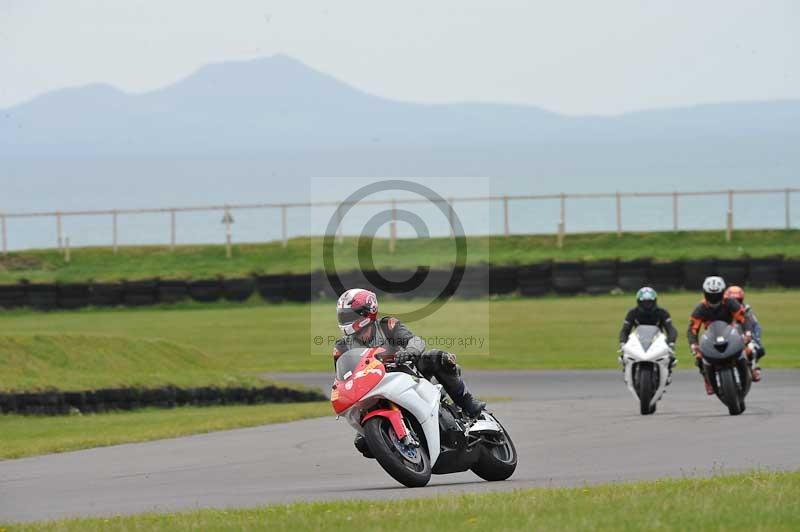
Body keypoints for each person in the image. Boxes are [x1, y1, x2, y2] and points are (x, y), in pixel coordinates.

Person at [333, 288, 486, 415]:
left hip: (407, 374)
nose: (345, 321)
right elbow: (342, 379)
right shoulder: (341, 347)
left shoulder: (388, 326)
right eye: (342, 317)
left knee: (436, 357)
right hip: (372, 390)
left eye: (348, 316)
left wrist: (410, 352)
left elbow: (415, 341)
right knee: (362, 442)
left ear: (367, 312)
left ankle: (468, 404)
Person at [687, 276, 753, 395]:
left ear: (722, 293)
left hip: (731, 333)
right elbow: (692, 329)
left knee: (748, 350)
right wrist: (693, 344)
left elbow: (744, 318)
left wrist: (747, 333)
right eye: (710, 295)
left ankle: (749, 369)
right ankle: (707, 380)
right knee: (699, 357)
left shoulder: (730, 302)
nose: (713, 298)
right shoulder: (700, 308)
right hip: (710, 336)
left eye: (716, 295)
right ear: (705, 293)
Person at [618, 287, 678, 381]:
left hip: (657, 341)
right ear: (639, 302)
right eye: (644, 302)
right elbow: (625, 330)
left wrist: (671, 343)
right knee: (624, 356)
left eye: (649, 302)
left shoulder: (662, 312)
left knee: (671, 357)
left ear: (655, 301)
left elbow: (671, 329)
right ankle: (627, 371)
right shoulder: (632, 313)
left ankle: (668, 372)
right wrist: (623, 343)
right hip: (637, 340)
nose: (647, 305)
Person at [724, 285, 765, 382]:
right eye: (732, 301)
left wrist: (753, 338)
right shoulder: (722, 311)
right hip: (726, 339)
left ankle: (753, 368)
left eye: (738, 300)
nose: (735, 303)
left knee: (755, 349)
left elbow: (756, 327)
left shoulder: (747, 311)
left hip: (744, 339)